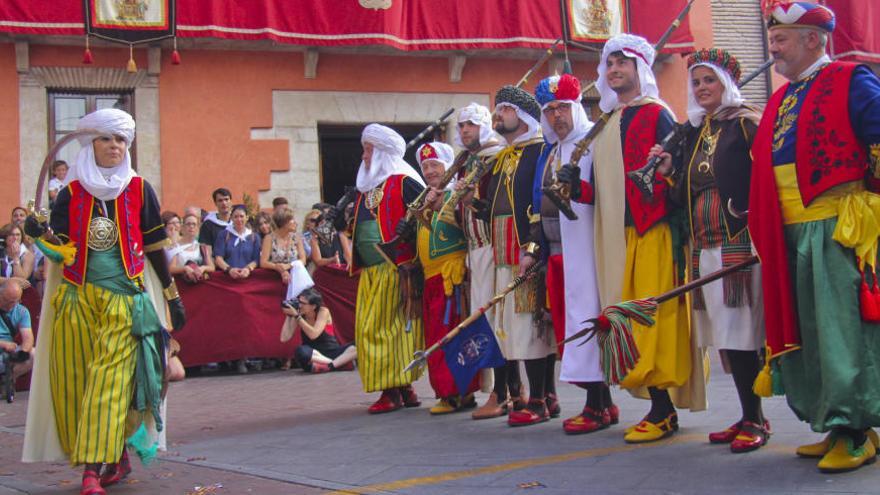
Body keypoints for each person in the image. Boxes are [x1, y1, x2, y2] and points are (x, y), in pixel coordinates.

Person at [21, 108, 186, 495]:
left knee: (106, 385)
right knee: (77, 386)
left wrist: (171, 295)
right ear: (90, 144)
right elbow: (62, 249)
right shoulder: (71, 194)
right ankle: (117, 456)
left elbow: (154, 249)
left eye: (121, 140)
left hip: (124, 304)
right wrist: (38, 233)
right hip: (76, 302)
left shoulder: (140, 189)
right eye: (107, 139)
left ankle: (91, 473)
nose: (115, 146)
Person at [749, 2, 880, 472]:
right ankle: (834, 423)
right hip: (791, 231)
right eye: (773, 37)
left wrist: (869, 207)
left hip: (834, 226)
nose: (773, 46)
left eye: (782, 38)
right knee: (811, 334)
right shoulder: (783, 97)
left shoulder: (852, 79)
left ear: (813, 40)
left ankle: (856, 429)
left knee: (841, 331)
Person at [649, 48, 768, 452]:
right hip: (705, 244)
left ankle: (757, 419)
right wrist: (668, 173)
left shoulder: (748, 123)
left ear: (727, 83)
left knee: (744, 332)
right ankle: (747, 414)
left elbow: (766, 179)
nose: (701, 88)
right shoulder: (697, 131)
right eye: (696, 82)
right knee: (726, 336)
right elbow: (687, 190)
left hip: (740, 242)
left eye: (709, 80)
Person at [591, 34, 705, 443]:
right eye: (610, 64)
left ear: (639, 69)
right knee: (628, 320)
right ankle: (660, 407)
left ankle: (662, 409)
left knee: (652, 319)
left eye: (623, 63)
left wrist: (667, 172)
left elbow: (679, 175)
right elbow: (603, 187)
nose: (614, 70)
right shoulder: (608, 123)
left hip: (655, 230)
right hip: (620, 235)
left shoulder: (658, 115)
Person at [534, 72, 617, 435]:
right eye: (550, 110)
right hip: (560, 249)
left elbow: (608, 193)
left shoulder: (593, 143)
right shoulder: (554, 151)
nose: (557, 116)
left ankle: (596, 405)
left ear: (576, 107)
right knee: (573, 323)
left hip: (589, 246)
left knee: (588, 319)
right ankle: (601, 402)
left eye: (563, 107)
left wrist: (579, 188)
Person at [481, 85, 557, 427]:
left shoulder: (539, 150)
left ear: (524, 116)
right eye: (498, 110)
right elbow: (494, 209)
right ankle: (540, 396)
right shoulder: (501, 157)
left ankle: (539, 399)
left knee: (530, 326)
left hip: (525, 251)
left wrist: (532, 246)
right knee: (513, 327)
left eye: (505, 110)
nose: (498, 116)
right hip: (501, 254)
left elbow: (540, 203)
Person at [350, 123, 426, 414]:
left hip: (396, 267)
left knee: (387, 330)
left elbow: (426, 215)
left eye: (368, 149)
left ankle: (392, 390)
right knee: (381, 328)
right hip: (371, 271)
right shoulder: (366, 187)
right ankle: (402, 386)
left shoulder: (405, 181)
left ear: (381, 151)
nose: (364, 156)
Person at [447, 103, 506, 419]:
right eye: (461, 126)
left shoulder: (495, 157)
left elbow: (497, 204)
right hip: (476, 250)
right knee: (484, 319)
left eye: (470, 124)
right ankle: (502, 389)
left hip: (495, 247)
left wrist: (472, 200)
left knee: (495, 319)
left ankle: (506, 391)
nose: (465, 130)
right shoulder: (467, 163)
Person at [412, 141, 478, 414]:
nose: (429, 171)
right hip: (430, 280)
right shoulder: (423, 199)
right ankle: (444, 392)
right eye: (425, 166)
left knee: (452, 338)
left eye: (435, 165)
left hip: (452, 278)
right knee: (435, 340)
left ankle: (459, 393)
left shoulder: (456, 196)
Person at [284, 288, 356, 373]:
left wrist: (297, 317)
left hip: (331, 351)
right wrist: (289, 316)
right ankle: (338, 364)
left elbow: (313, 334)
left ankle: (329, 366)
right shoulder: (299, 314)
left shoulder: (323, 311)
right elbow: (284, 337)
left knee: (359, 344)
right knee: (300, 351)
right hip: (313, 356)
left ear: (313, 306)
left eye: (303, 303)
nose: (299, 305)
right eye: (299, 302)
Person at [260, 207, 307, 285]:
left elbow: (303, 260)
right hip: (274, 278)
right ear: (283, 223)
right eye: (292, 220)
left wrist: (288, 266)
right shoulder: (269, 238)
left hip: (295, 277)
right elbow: (263, 262)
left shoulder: (297, 237)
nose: (295, 222)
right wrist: (279, 268)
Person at [0, 280, 34, 384]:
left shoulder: (22, 311)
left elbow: (28, 337)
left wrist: (22, 352)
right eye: (7, 300)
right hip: (4, 345)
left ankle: (6, 381)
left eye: (15, 301)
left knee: (33, 353)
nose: (11, 304)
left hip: (8, 351)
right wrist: (3, 344)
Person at [214, 205, 261, 281]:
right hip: (227, 279)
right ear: (231, 218)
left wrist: (247, 269)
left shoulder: (254, 237)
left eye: (241, 216)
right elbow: (218, 258)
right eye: (235, 217)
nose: (239, 219)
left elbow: (256, 259)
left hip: (249, 279)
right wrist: (230, 270)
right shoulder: (223, 235)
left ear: (247, 217)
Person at [169, 213, 215, 284]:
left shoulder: (202, 247)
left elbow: (212, 267)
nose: (191, 226)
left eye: (194, 224)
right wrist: (185, 269)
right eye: (188, 224)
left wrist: (203, 268)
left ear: (198, 227)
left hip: (199, 283)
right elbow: (171, 268)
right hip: (181, 285)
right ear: (183, 227)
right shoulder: (175, 247)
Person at [199, 188, 233, 263]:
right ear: (215, 203)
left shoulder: (238, 222)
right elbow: (207, 251)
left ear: (231, 201)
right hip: (217, 268)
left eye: (226, 199)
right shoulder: (208, 224)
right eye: (220, 200)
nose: (224, 203)